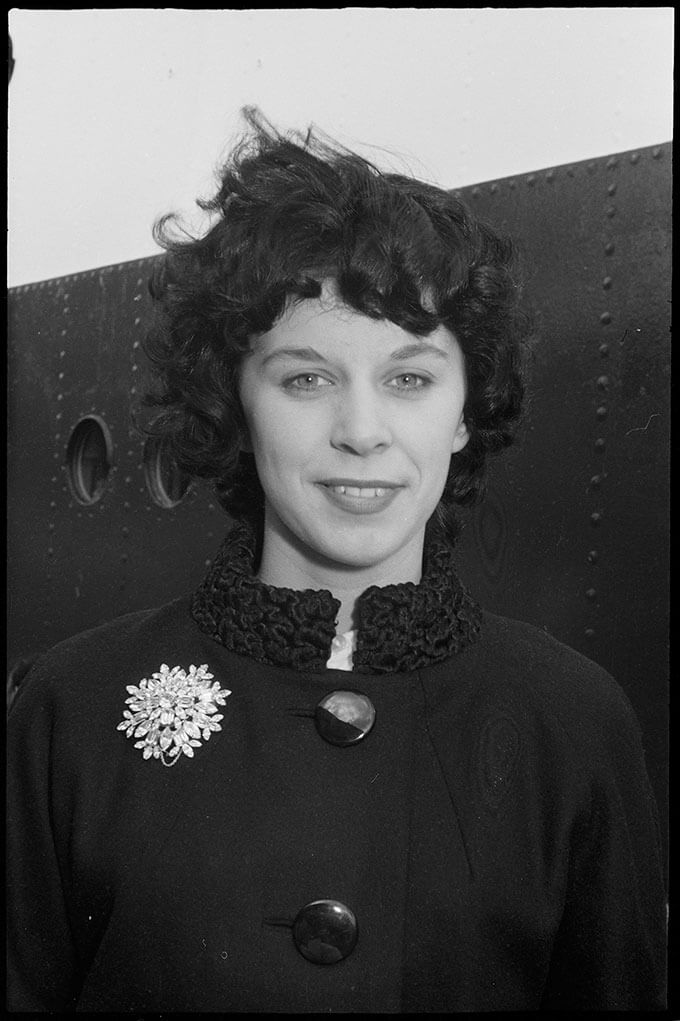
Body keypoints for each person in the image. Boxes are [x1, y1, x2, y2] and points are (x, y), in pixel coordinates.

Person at [7, 108, 666, 1013]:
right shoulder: (66, 711)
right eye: (306, 378)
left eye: (410, 378)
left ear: (466, 411)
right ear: (235, 402)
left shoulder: (577, 725)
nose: (361, 433)